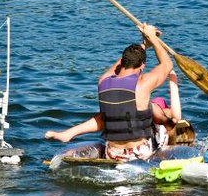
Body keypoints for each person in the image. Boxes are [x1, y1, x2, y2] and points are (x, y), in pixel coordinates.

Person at [45, 24, 172, 161]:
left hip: (112, 152)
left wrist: (144, 45)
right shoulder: (142, 83)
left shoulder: (103, 81)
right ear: (142, 66)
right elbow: (167, 65)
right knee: (161, 116)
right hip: (139, 153)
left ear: (122, 61)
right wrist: (153, 38)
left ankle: (69, 133)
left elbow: (118, 66)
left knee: (113, 112)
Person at [45, 70, 189, 146]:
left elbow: (176, 118)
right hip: (133, 130)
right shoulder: (150, 108)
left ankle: (69, 133)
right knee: (110, 114)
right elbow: (175, 117)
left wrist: (172, 78)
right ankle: (68, 134)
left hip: (144, 136)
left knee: (108, 115)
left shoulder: (161, 113)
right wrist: (172, 78)